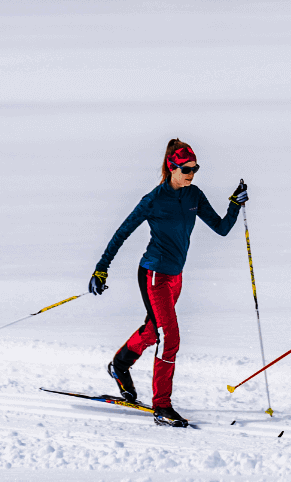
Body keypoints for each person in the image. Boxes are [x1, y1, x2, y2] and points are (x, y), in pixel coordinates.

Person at [89, 139, 248, 428]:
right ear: (171, 167)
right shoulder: (153, 200)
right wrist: (102, 269)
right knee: (169, 338)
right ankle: (162, 406)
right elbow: (121, 233)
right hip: (154, 275)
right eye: (186, 169)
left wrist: (234, 204)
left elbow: (222, 229)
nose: (191, 173)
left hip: (176, 277)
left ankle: (119, 365)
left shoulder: (194, 195)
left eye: (195, 168)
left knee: (154, 329)